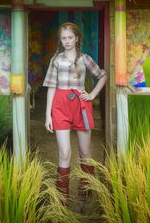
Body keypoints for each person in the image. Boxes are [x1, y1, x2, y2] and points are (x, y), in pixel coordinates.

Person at [43, 22, 107, 210]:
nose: (67, 41)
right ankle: (61, 201)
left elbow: (102, 75)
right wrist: (48, 115)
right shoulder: (56, 59)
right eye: (64, 38)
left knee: (85, 153)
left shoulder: (85, 59)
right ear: (60, 40)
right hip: (60, 106)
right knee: (64, 153)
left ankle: (83, 198)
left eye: (70, 37)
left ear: (77, 38)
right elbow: (51, 87)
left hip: (81, 104)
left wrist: (93, 94)